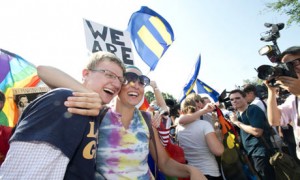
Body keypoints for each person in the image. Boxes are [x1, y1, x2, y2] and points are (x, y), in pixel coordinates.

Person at [35, 64, 207, 179]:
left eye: (141, 82)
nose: (136, 85)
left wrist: (190, 170)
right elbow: (43, 70)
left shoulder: (146, 120)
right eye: (129, 78)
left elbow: (165, 163)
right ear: (117, 85)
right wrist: (90, 96)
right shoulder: (97, 114)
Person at [0, 51, 126, 179]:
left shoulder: (99, 115)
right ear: (86, 74)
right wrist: (88, 95)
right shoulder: (66, 100)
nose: (116, 84)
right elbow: (24, 173)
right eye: (109, 75)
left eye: (120, 80)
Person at [229, 89, 275, 180]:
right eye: (232, 99)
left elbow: (257, 132)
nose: (234, 101)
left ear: (245, 98)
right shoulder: (237, 114)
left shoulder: (253, 109)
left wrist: (237, 122)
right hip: (250, 154)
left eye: (237, 98)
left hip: (260, 153)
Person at [265, 46, 300, 161]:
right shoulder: (293, 99)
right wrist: (271, 91)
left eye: (293, 64)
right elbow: (275, 120)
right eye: (285, 67)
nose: (290, 69)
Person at [177, 97, 224, 179]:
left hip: (192, 173)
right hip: (209, 171)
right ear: (198, 107)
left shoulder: (178, 127)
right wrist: (220, 136)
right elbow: (218, 151)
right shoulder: (204, 125)